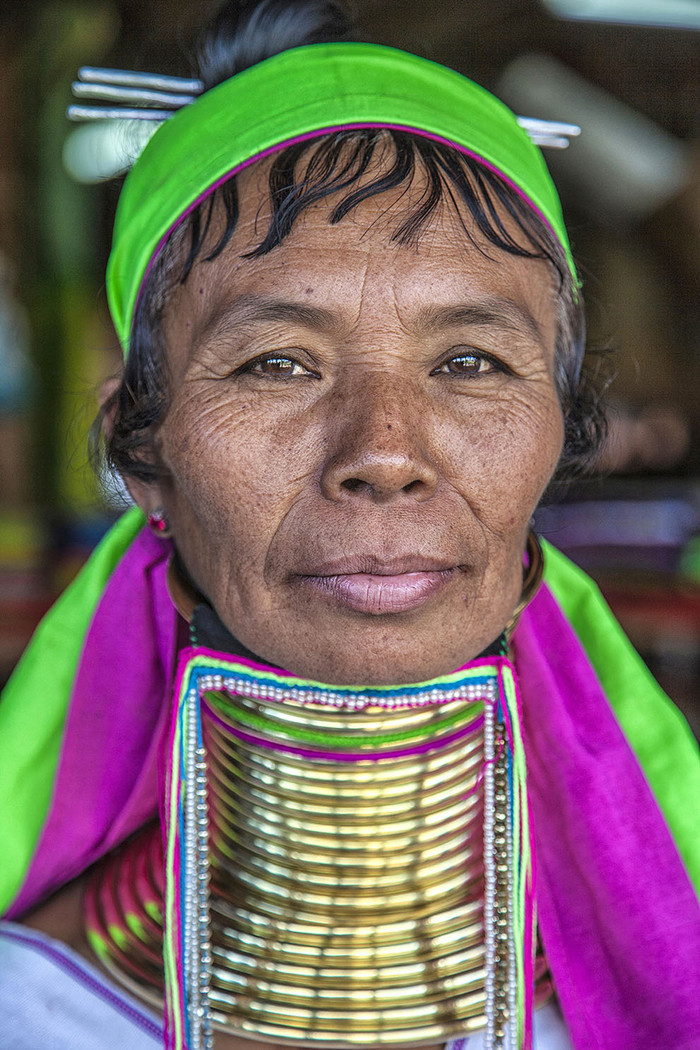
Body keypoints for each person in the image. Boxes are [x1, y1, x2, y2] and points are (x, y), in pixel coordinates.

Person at [1, 2, 698, 1049]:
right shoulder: (32, 1012)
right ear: (141, 454)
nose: (382, 453)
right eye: (274, 363)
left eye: (471, 363)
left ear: (560, 436)